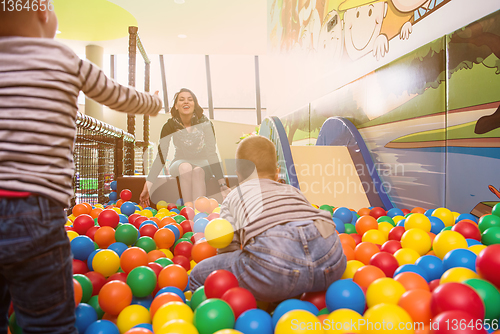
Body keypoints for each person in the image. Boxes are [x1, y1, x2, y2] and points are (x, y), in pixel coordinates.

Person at [0, 2, 162, 333]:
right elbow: (118, 96)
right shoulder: (63, 59)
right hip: (37, 210)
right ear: (43, 12)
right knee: (47, 322)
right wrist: (154, 101)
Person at [189, 136, 347, 302]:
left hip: (274, 261)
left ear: (239, 176)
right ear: (277, 172)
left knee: (197, 275)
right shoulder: (292, 190)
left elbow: (228, 246)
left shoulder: (234, 196)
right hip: (330, 255)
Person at [140, 88, 228, 208]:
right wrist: (147, 186)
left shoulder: (206, 124)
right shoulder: (170, 125)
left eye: (190, 99)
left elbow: (211, 154)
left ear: (194, 104)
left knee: (198, 170)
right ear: (176, 106)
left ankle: (199, 212)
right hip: (180, 162)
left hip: (203, 162)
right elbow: (161, 156)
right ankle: (188, 210)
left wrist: (222, 185)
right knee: (185, 167)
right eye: (181, 100)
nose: (186, 102)